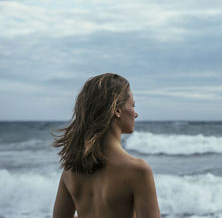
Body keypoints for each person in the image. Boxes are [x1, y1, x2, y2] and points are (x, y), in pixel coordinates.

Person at [52, 73, 160, 218]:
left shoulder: (70, 169)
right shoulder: (137, 170)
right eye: (133, 105)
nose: (136, 114)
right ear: (117, 110)